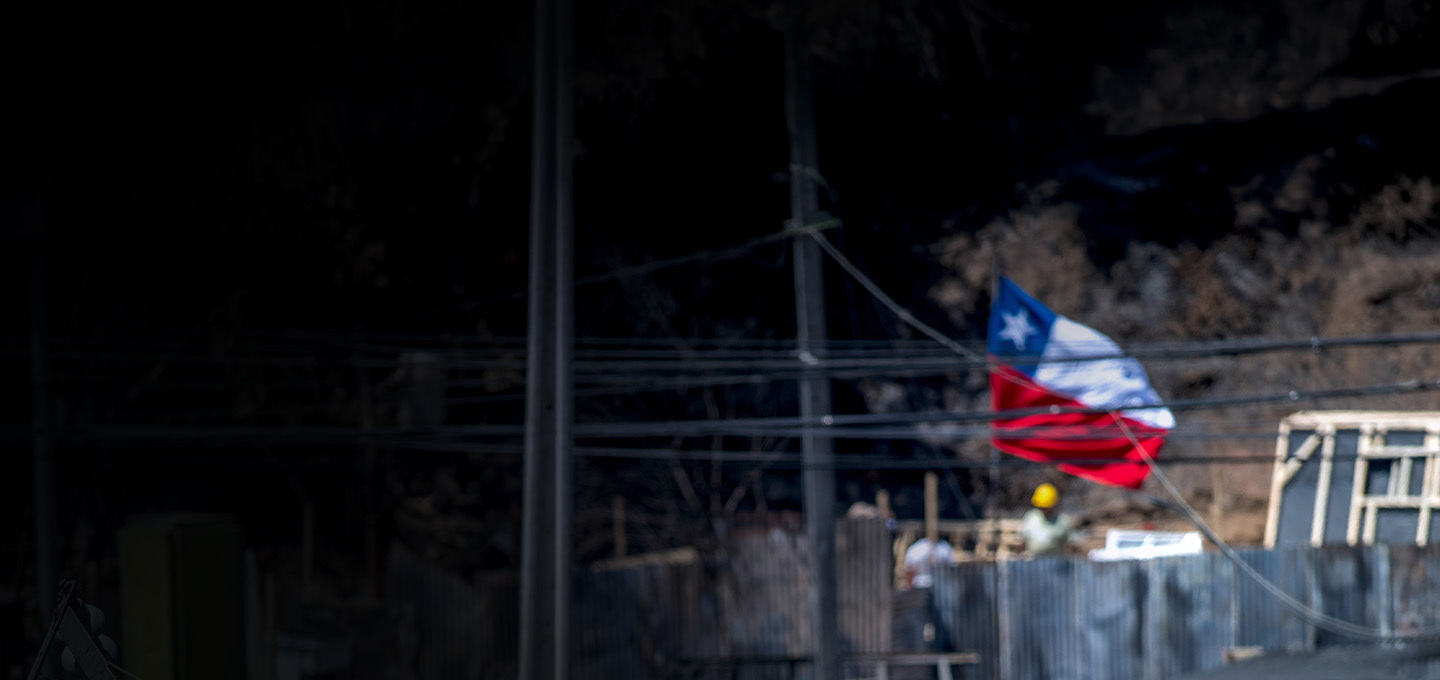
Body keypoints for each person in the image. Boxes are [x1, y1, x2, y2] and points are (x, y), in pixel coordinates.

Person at [1021, 483, 1078, 557]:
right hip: (1033, 562)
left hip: (1055, 564)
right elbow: (1022, 541)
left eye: (1046, 507)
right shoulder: (1031, 518)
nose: (1044, 510)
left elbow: (1072, 546)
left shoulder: (1062, 522)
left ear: (1054, 505)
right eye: (1041, 507)